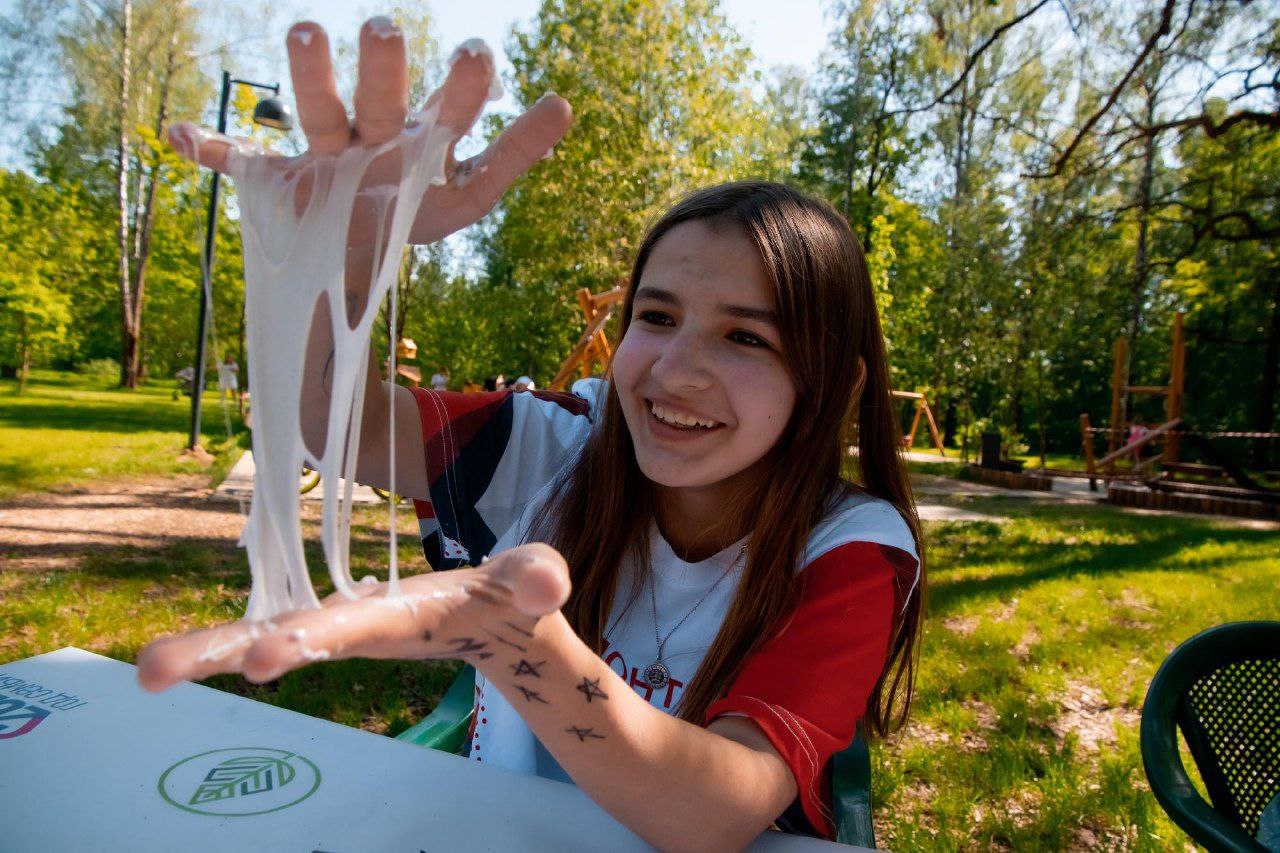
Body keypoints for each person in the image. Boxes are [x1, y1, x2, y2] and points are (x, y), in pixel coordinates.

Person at [137, 18, 924, 849]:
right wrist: (356, 243)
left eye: (746, 337)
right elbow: (331, 418)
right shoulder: (557, 444)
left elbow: (714, 813)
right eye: (656, 317)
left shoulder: (850, 550)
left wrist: (519, 644)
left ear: (835, 386)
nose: (673, 370)